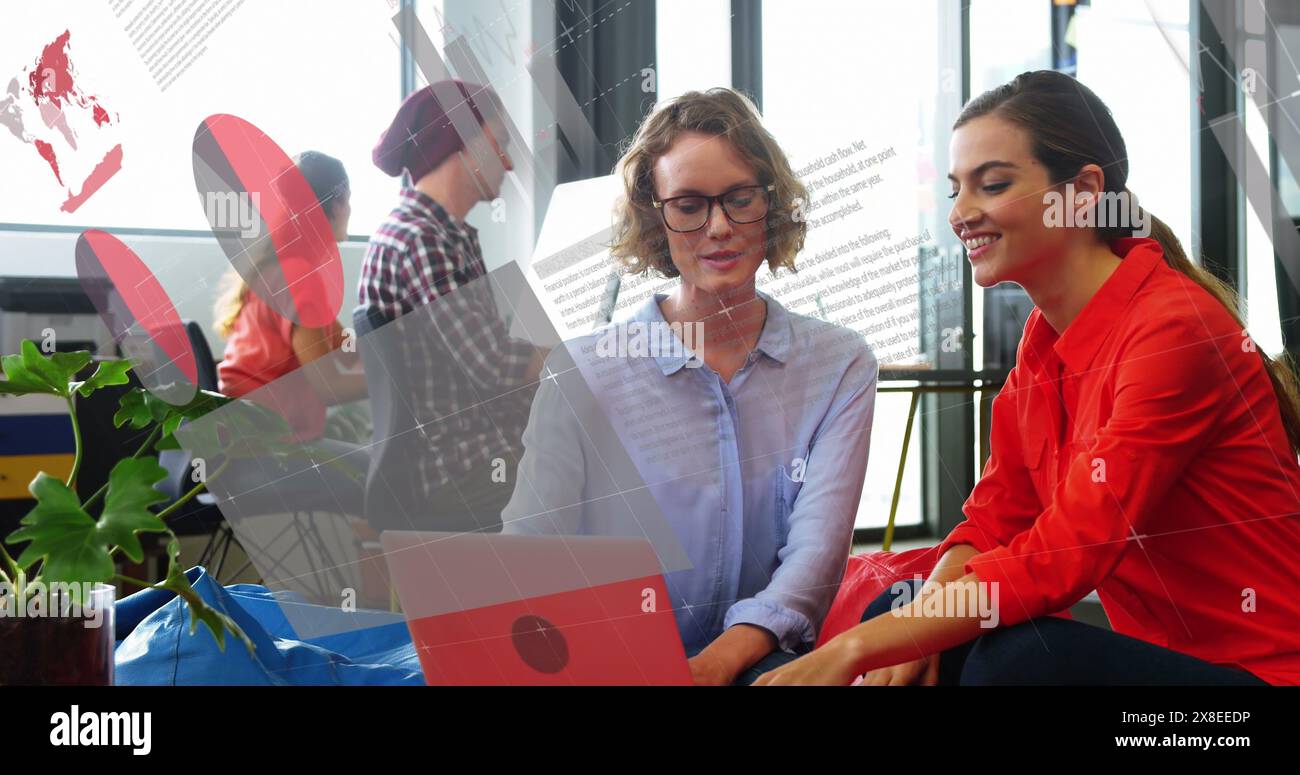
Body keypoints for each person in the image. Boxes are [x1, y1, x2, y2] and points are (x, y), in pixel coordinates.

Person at [755, 70, 1300, 686]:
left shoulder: (1174, 330)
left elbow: (1067, 553)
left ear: (1083, 191)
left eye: (993, 184)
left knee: (1010, 662)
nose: (961, 213)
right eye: (957, 189)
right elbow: (995, 519)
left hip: (1255, 686)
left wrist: (851, 650)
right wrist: (911, 622)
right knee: (902, 610)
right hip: (1164, 668)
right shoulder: (1044, 342)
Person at [500, 88, 879, 685]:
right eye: (689, 205)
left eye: (740, 198)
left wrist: (713, 666)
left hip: (760, 660)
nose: (720, 227)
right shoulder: (584, 370)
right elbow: (530, 555)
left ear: (770, 203)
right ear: (656, 218)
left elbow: (815, 558)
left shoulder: (839, 364)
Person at [359, 80, 546, 532]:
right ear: (460, 145)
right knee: (603, 476)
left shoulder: (436, 232)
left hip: (463, 455)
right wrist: (584, 353)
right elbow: (497, 367)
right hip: (460, 468)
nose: (507, 161)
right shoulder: (424, 239)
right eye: (498, 144)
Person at [215, 150, 367, 441]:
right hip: (266, 448)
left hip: (242, 439)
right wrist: (398, 378)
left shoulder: (278, 268)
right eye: (348, 199)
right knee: (377, 471)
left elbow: (344, 349)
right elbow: (330, 387)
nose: (350, 209)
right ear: (336, 203)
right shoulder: (298, 277)